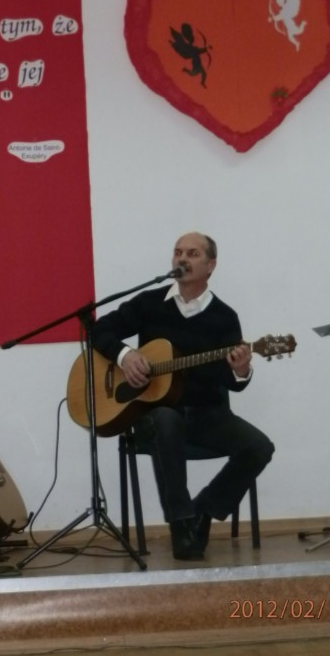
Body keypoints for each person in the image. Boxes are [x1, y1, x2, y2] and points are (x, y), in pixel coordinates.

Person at [91, 232, 274, 560]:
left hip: (208, 415)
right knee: (166, 420)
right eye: (178, 252)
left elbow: (231, 381)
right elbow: (98, 329)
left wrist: (242, 369)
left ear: (210, 265)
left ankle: (202, 511)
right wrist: (125, 356)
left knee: (259, 447)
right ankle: (180, 524)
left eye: (192, 253)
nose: (182, 259)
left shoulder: (224, 317)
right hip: (154, 416)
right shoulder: (149, 304)